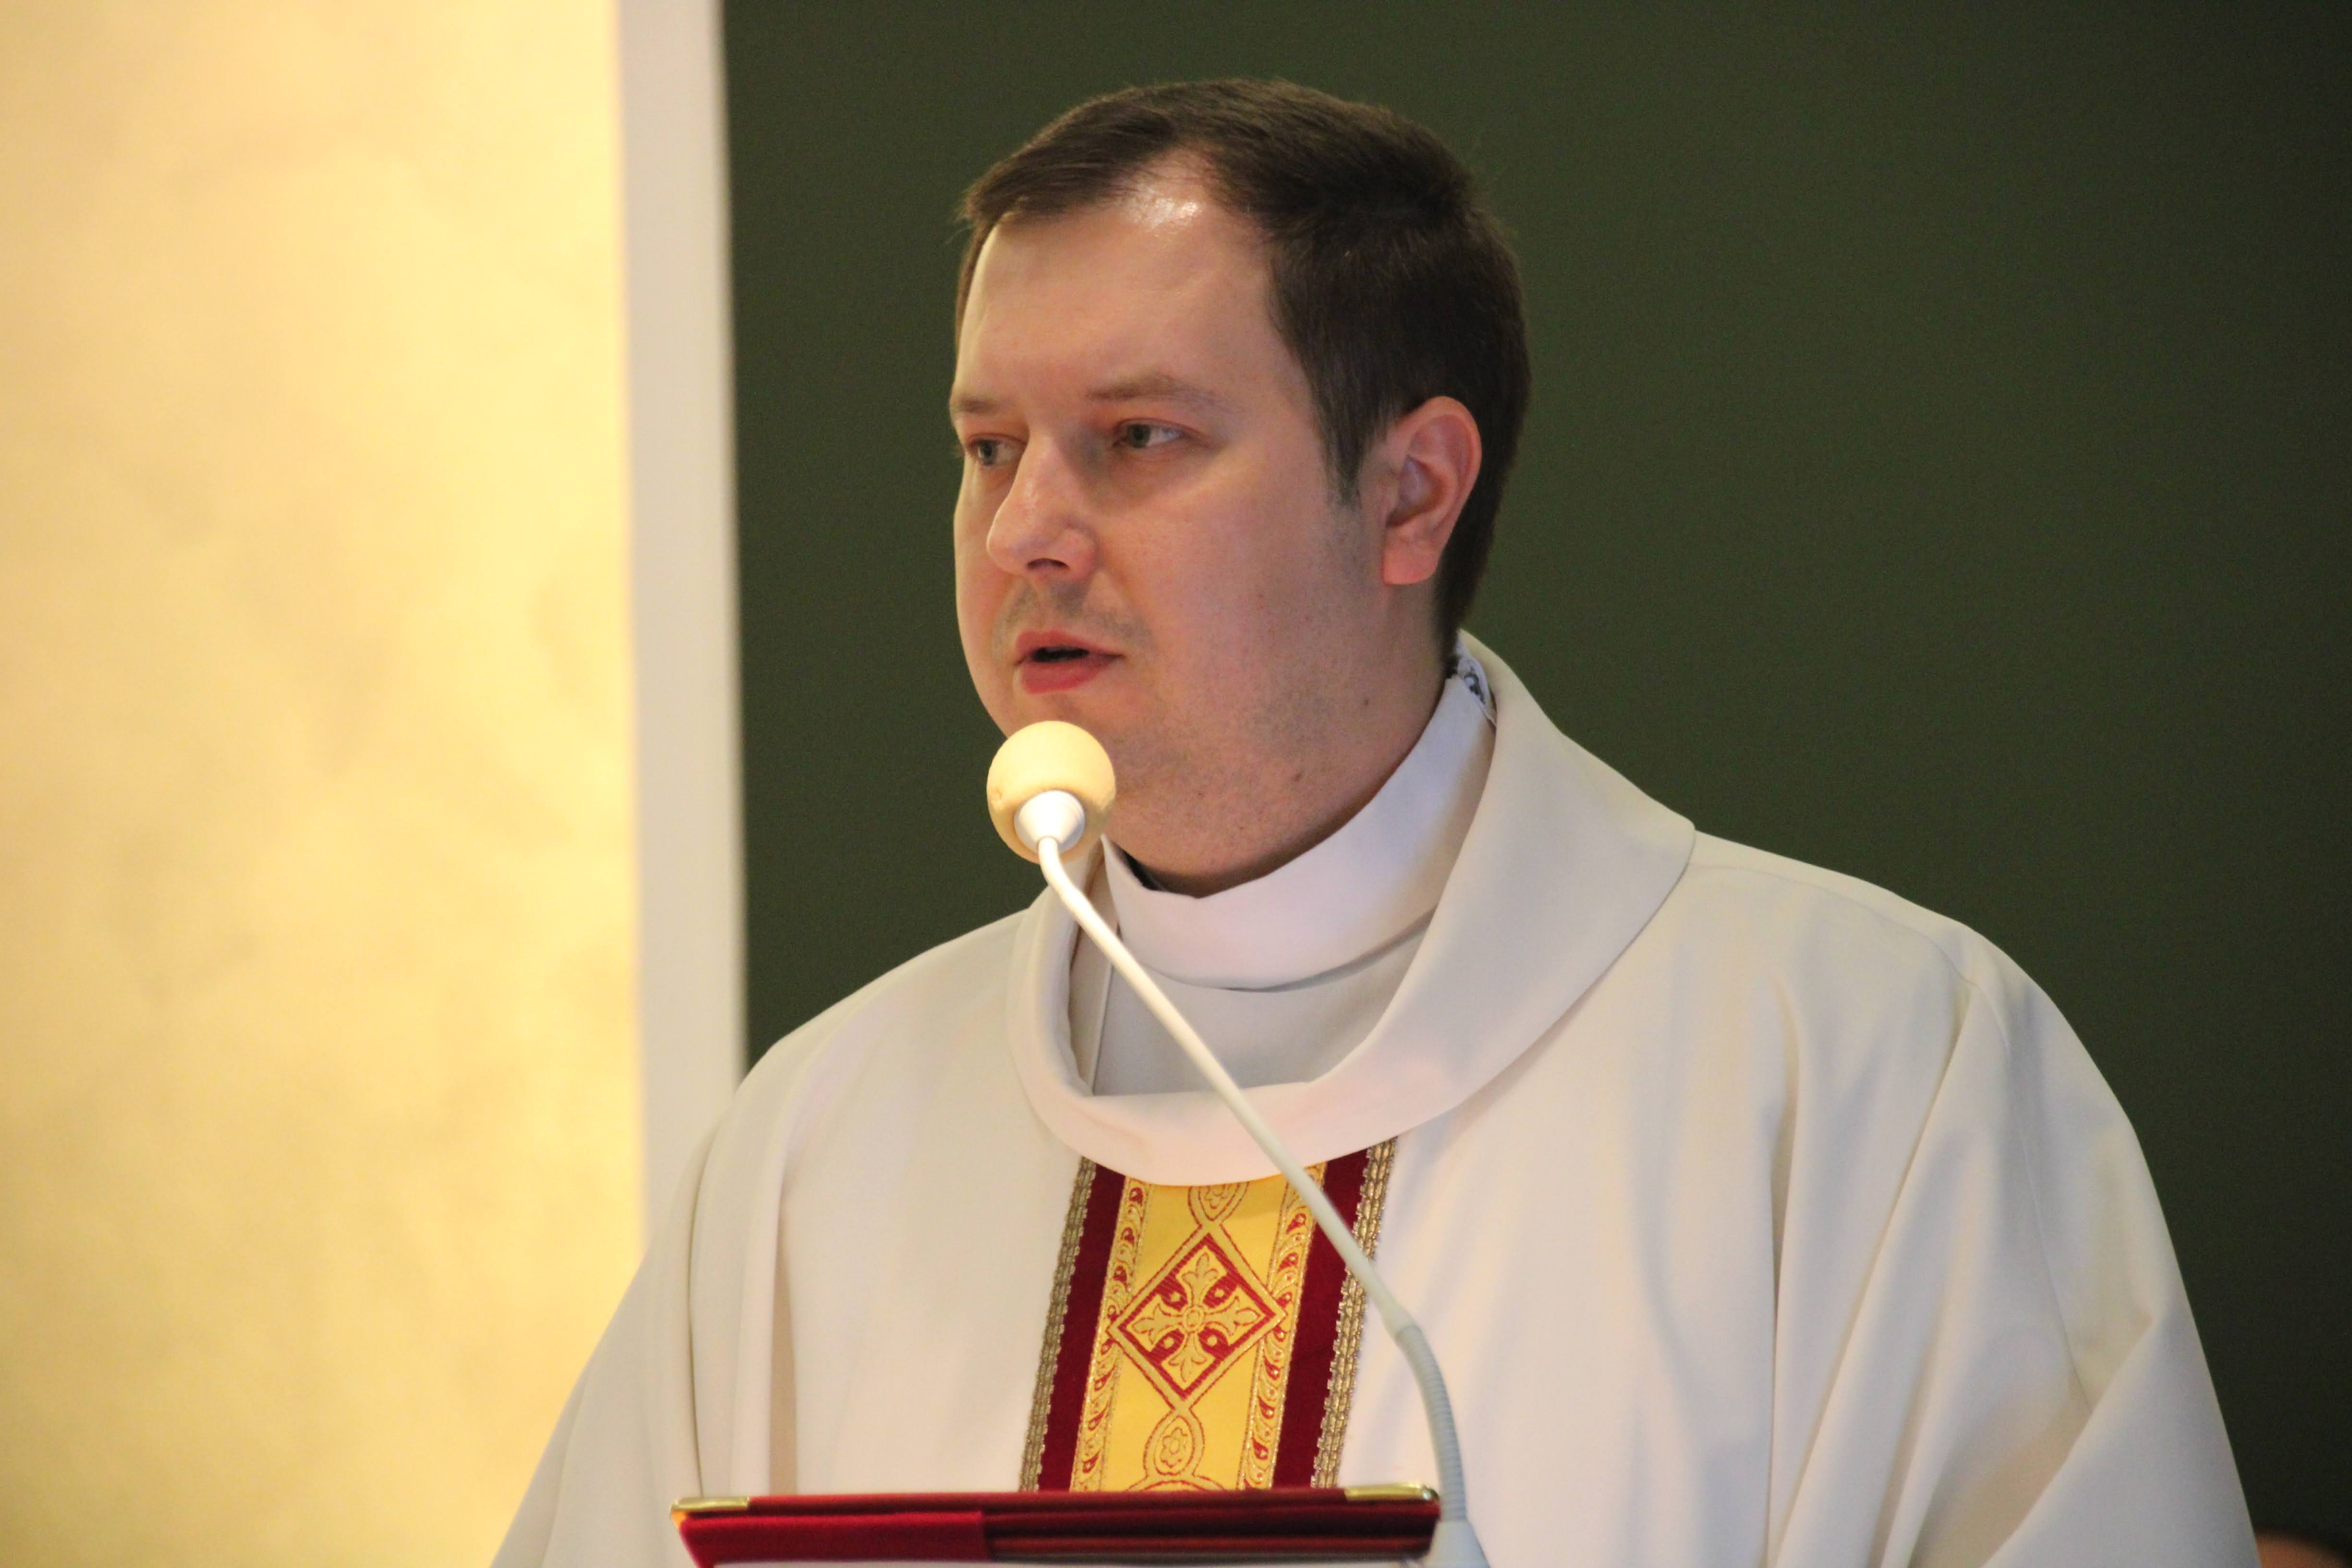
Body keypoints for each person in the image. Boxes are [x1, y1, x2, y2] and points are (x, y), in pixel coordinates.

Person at [496, 80, 2257, 1566]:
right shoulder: (813, 1146)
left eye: (1135, 436)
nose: (1023, 529)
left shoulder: (1873, 1072)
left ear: (1411, 491)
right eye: (986, 448)